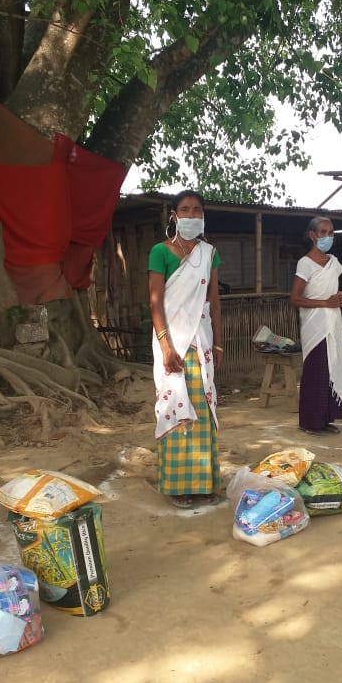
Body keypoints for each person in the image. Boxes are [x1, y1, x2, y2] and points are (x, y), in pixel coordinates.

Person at [148, 190, 223, 509]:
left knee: (202, 410)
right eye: (185, 210)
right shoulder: (159, 252)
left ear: (203, 216)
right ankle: (178, 486)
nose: (191, 215)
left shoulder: (210, 253)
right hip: (172, 342)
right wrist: (165, 345)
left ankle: (204, 482)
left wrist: (218, 342)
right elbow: (155, 302)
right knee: (175, 407)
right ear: (174, 216)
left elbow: (214, 301)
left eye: (197, 210)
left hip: (202, 340)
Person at [289, 216, 342, 434]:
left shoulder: (333, 263)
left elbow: (329, 294)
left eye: (331, 232)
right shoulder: (305, 263)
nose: (328, 237)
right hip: (315, 326)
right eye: (323, 232)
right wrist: (326, 302)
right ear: (312, 236)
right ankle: (310, 422)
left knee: (332, 369)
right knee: (317, 371)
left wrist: (337, 300)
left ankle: (326, 418)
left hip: (332, 323)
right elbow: (295, 299)